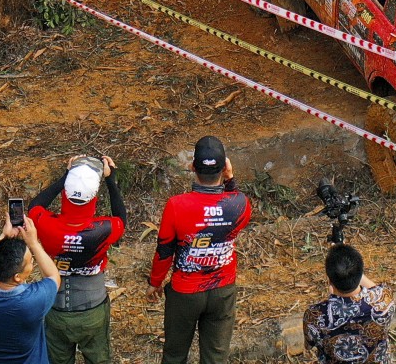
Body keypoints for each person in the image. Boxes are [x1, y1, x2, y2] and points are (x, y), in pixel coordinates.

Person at [149, 136, 252, 364]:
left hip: (185, 292)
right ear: (224, 168)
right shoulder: (239, 203)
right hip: (223, 289)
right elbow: (240, 208)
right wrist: (231, 180)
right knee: (215, 358)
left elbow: (164, 250)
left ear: (192, 167)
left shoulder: (176, 205)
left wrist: (155, 282)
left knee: (174, 355)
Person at [28, 156, 126, 364]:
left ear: (64, 193)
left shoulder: (46, 225)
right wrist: (111, 180)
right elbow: (121, 219)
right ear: (94, 199)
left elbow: (35, 206)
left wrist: (66, 176)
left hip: (56, 308)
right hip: (93, 307)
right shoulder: (104, 228)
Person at [0, 214, 62, 364]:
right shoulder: (33, 301)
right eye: (31, 261)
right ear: (17, 277)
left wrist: (3, 236)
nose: (33, 264)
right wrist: (34, 244)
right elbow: (53, 276)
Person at [303, 244, 393, 364]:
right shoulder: (384, 299)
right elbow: (374, 290)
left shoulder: (315, 315)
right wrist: (350, 268)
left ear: (329, 280)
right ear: (361, 273)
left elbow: (309, 346)